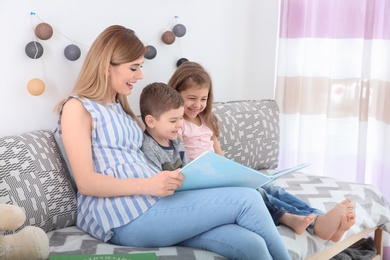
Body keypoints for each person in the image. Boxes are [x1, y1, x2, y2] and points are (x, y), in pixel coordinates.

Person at [54, 25, 291, 260]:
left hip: (156, 204)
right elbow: (86, 183)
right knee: (247, 199)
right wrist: (148, 185)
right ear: (107, 66)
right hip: (123, 217)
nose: (140, 75)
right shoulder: (78, 107)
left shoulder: (121, 110)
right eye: (134, 67)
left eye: (141, 67)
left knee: (251, 244)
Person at [168, 61, 356, 241]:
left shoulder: (207, 120)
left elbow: (220, 156)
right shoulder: (177, 124)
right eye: (191, 98)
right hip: (202, 182)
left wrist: (235, 174)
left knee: (273, 189)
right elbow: (180, 160)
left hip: (219, 176)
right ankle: (301, 221)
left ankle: (320, 219)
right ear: (176, 94)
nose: (197, 104)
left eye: (203, 99)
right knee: (258, 194)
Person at [139, 82, 190, 171]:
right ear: (151, 121)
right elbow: (156, 181)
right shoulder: (148, 148)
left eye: (181, 118)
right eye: (173, 120)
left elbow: (189, 169)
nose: (180, 125)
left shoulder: (177, 141)